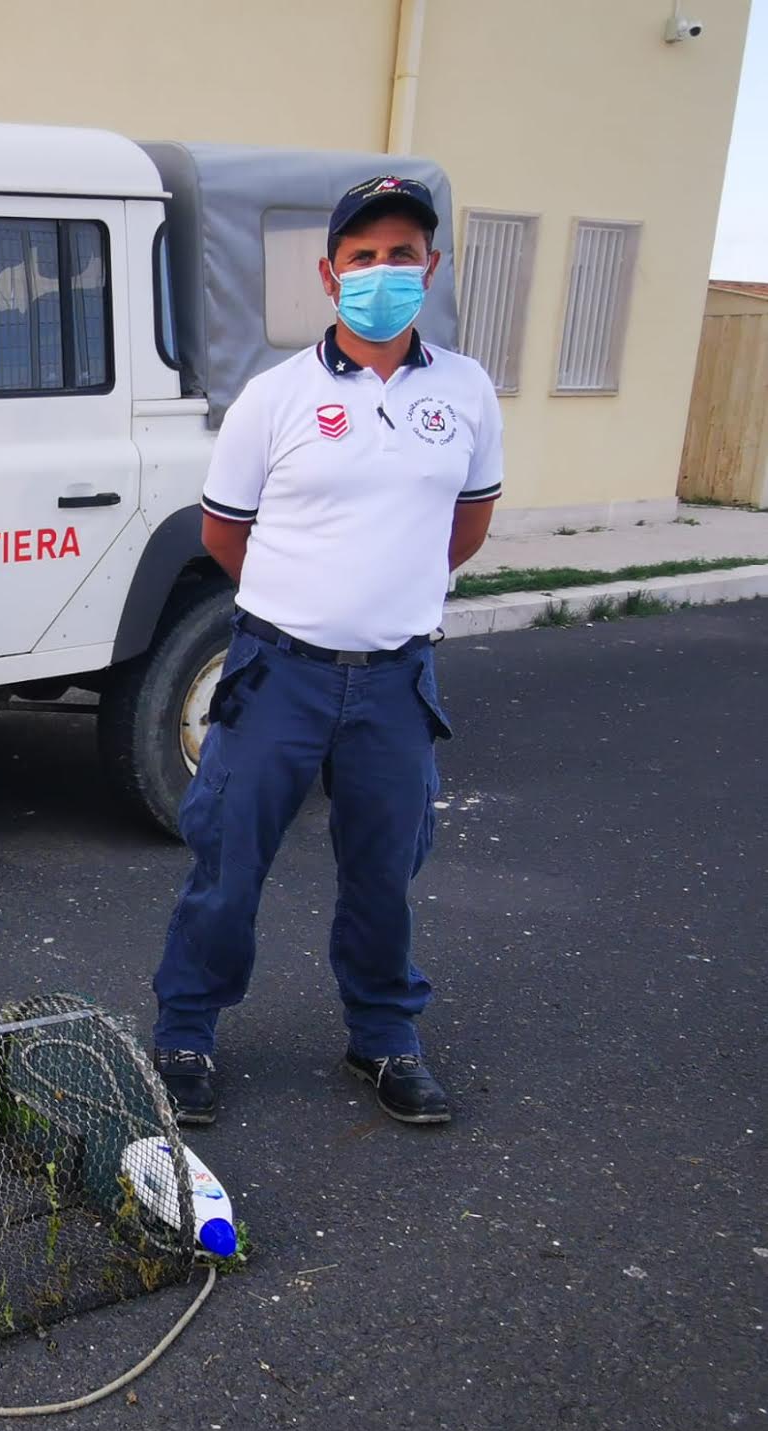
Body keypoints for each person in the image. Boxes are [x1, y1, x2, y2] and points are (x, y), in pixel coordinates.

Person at [148, 175, 502, 1128]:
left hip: (395, 681)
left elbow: (466, 525)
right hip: (277, 676)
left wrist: (386, 595)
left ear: (429, 268)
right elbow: (226, 536)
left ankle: (383, 1040)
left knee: (385, 872)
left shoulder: (464, 390)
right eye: (362, 257)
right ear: (329, 271)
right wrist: (307, 597)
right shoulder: (277, 396)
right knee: (226, 864)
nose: (382, 272)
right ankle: (185, 1035)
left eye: (401, 255)